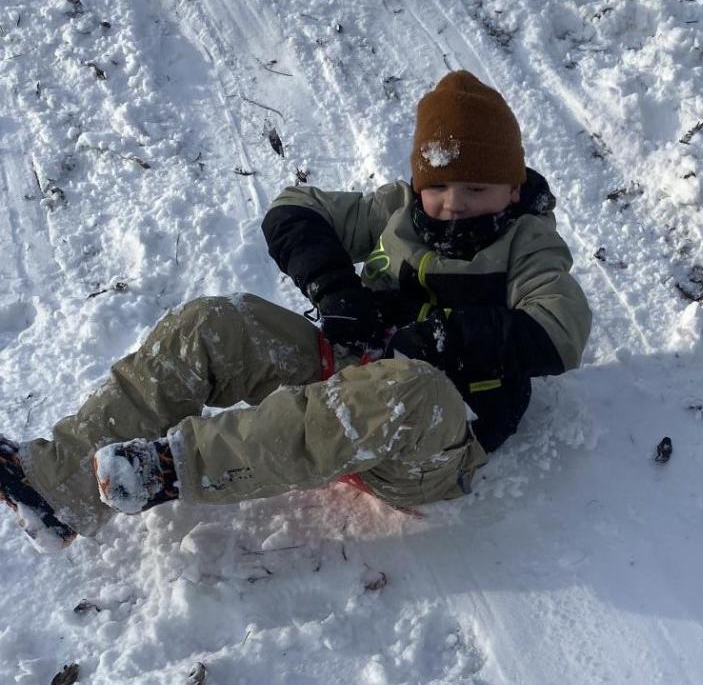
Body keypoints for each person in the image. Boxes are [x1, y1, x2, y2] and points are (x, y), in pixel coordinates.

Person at [0, 71, 592, 552]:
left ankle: (167, 469)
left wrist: (439, 339)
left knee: (410, 388)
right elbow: (293, 210)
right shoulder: (399, 209)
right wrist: (336, 289)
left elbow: (560, 329)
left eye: (476, 189)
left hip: (429, 439)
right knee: (215, 323)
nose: (453, 204)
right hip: (346, 379)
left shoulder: (529, 243)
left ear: (513, 188)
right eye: (437, 187)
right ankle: (58, 488)